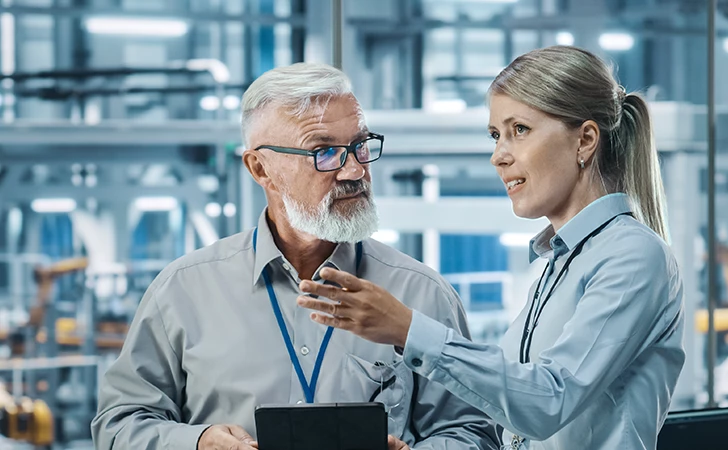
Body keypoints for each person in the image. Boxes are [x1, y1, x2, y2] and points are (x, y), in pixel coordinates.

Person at [91, 63, 501, 450]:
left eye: (360, 146)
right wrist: (196, 443)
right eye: (323, 152)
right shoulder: (183, 291)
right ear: (261, 169)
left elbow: (472, 431)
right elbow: (118, 423)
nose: (355, 171)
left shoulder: (421, 294)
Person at [297, 46, 686, 450]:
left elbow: (549, 401)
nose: (499, 156)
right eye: (495, 135)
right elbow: (518, 418)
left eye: (520, 130)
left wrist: (406, 328)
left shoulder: (632, 255)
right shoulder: (557, 265)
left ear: (585, 140)